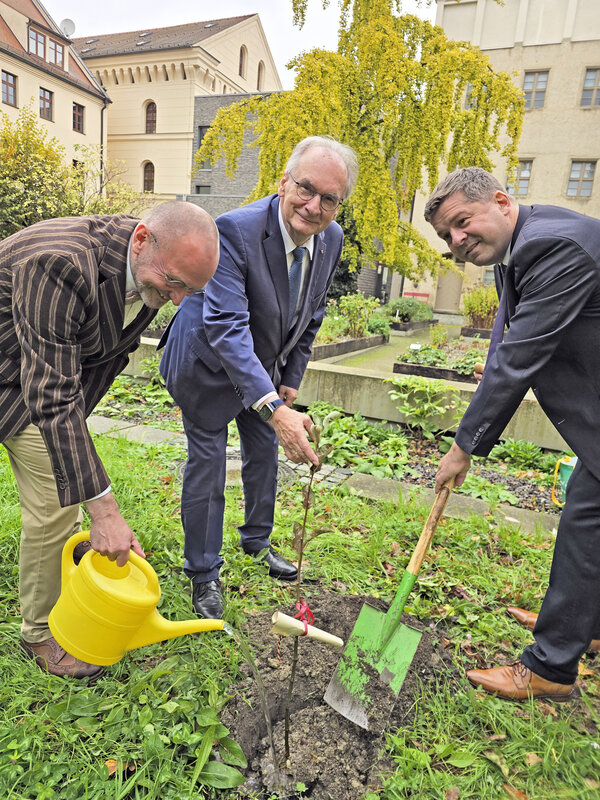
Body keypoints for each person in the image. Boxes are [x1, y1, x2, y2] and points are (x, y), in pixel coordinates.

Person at [1, 201, 219, 680]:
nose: (180, 299)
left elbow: (102, 359)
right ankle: (41, 633)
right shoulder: (59, 262)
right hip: (14, 380)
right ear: (141, 239)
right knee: (61, 506)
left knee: (68, 490)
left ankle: (58, 590)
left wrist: (79, 452)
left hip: (31, 379)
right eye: (176, 282)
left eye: (192, 290)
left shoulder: (147, 272)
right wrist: (105, 510)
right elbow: (52, 394)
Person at [160, 135, 359, 619]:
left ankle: (256, 542)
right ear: (283, 182)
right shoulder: (234, 230)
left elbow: (311, 313)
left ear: (339, 204)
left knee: (264, 452)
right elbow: (226, 328)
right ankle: (204, 574)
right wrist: (274, 408)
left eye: (329, 199)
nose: (313, 207)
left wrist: (289, 378)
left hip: (263, 366)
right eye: (305, 189)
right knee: (207, 468)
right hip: (207, 363)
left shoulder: (329, 239)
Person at [424, 166, 600, 702]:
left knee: (585, 527)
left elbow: (518, 359)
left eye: (461, 222)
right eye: (445, 235)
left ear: (501, 202)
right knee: (588, 522)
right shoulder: (521, 243)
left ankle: (550, 665)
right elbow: (507, 344)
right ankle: (582, 625)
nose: (456, 241)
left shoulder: (557, 248)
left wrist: (463, 447)